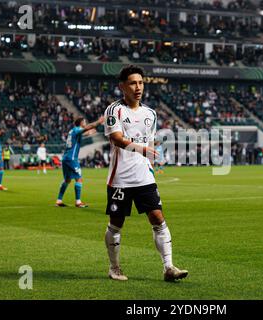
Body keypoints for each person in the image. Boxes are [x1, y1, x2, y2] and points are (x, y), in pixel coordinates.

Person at [103, 65, 188, 282]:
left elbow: (150, 142)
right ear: (122, 86)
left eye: (140, 82)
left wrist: (151, 164)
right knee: (116, 223)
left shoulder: (150, 113)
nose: (138, 87)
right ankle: (114, 268)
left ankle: (169, 267)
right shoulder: (114, 110)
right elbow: (116, 139)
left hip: (144, 177)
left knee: (158, 219)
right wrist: (141, 149)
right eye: (133, 83)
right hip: (120, 178)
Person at [55, 116, 104, 208]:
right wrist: (98, 121)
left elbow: (83, 132)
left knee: (67, 180)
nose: (85, 123)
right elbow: (87, 127)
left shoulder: (72, 131)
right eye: (84, 121)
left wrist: (89, 132)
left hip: (66, 158)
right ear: (81, 123)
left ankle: (59, 200)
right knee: (79, 179)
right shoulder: (78, 129)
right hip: (72, 158)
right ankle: (78, 202)